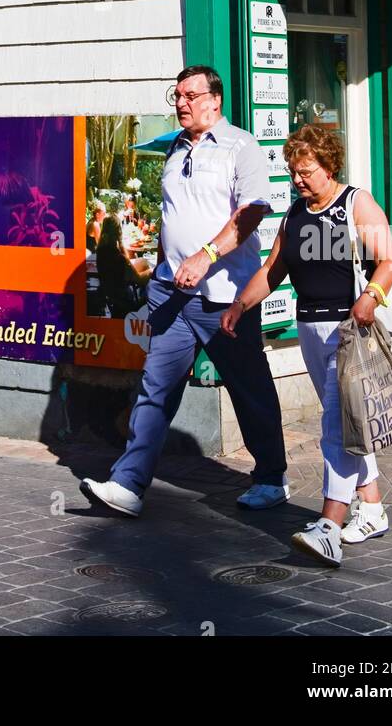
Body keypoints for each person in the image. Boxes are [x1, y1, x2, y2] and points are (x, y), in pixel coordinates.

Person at [80, 65, 287, 517]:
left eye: (190, 95)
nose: (181, 103)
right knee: (155, 388)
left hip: (224, 297)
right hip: (171, 296)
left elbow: (252, 212)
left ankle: (271, 478)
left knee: (248, 388)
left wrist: (206, 255)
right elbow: (174, 218)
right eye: (176, 95)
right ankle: (128, 485)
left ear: (215, 98)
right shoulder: (175, 148)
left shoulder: (242, 146)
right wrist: (156, 274)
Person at [221, 124, 392, 568]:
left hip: (348, 329)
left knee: (335, 426)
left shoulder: (355, 202)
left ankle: (329, 526)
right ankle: (372, 506)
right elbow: (272, 270)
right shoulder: (295, 214)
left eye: (307, 170)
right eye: (293, 172)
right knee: (347, 421)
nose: (299, 179)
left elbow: (389, 264)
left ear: (329, 164)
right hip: (308, 329)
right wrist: (240, 305)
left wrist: (369, 298)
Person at [96, 214, 151, 319]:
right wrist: (152, 271)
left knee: (143, 262)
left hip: (111, 289)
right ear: (118, 231)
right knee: (151, 272)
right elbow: (138, 279)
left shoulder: (102, 250)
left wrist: (120, 243)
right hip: (125, 298)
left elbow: (127, 261)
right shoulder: (118, 258)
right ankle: (143, 310)